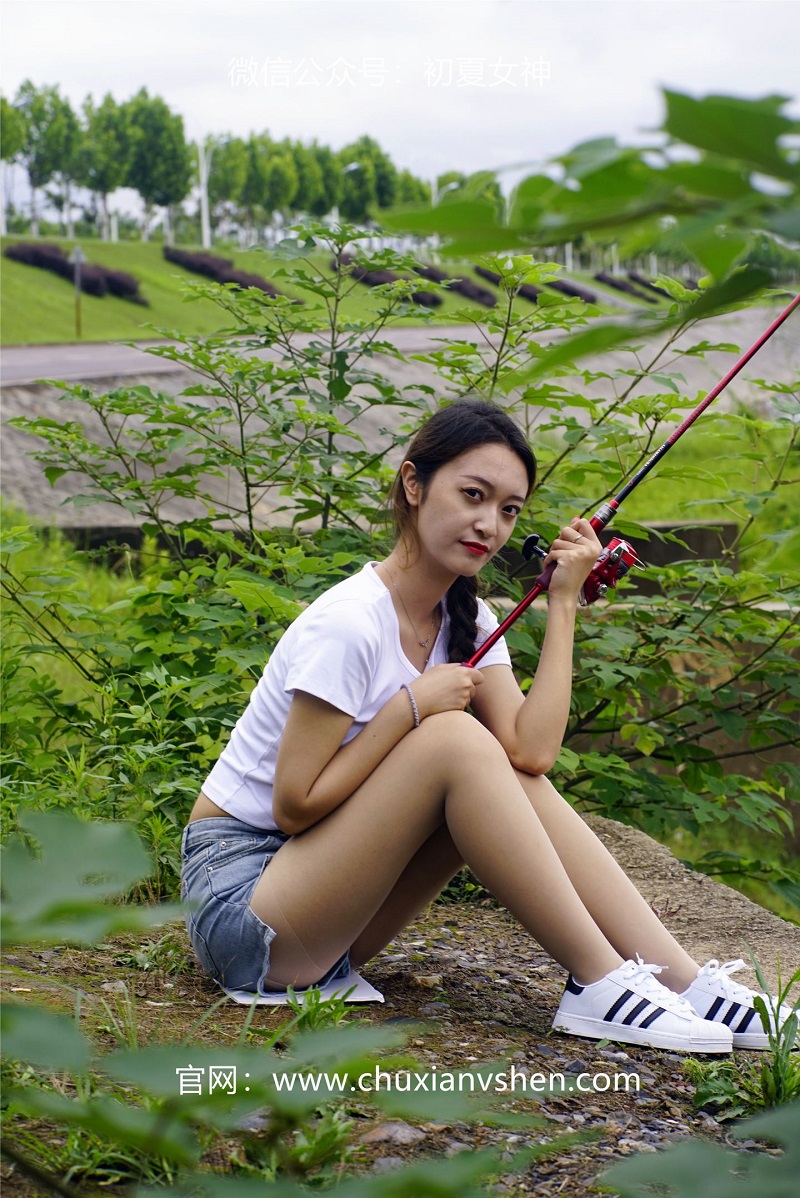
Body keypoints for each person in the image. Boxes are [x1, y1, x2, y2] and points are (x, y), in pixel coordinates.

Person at [181, 397, 794, 1053]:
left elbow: (531, 754)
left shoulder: (465, 619)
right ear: (414, 485)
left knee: (501, 768)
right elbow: (294, 806)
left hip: (326, 914)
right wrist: (410, 708)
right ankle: (598, 980)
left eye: (508, 510)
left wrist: (563, 603)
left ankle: (683, 981)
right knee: (454, 739)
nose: (489, 524)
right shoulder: (349, 623)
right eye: (473, 495)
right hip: (245, 910)